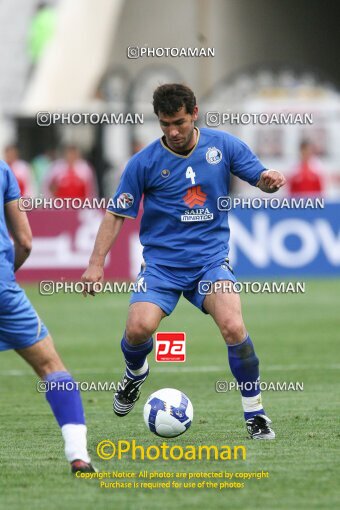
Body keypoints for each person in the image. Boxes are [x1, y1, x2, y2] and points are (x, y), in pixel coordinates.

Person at [82, 83, 286, 440]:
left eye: (178, 122)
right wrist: (97, 263)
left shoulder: (223, 147)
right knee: (137, 330)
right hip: (161, 266)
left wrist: (269, 182)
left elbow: (261, 177)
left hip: (210, 261)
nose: (173, 132)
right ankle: (134, 374)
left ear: (194, 113)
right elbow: (116, 213)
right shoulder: (144, 162)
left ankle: (255, 413)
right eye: (164, 124)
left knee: (234, 329)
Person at [0, 160, 95, 473]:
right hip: (4, 292)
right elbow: (25, 242)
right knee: (51, 366)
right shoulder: (3, 170)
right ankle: (78, 454)